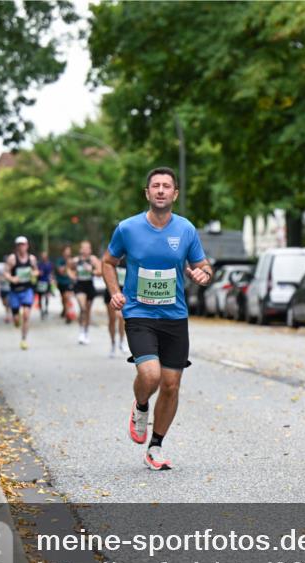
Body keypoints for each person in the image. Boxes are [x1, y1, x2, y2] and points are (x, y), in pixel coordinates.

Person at [102, 166, 212, 471]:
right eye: (155, 186)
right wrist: (114, 292)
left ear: (174, 194)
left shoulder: (186, 230)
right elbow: (108, 262)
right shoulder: (127, 228)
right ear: (147, 193)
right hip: (139, 313)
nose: (161, 190)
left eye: (166, 186)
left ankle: (156, 446)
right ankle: (140, 407)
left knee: (172, 384)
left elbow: (202, 264)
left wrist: (203, 273)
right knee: (151, 375)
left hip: (174, 315)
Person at [3, 236, 38, 350]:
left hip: (27, 289)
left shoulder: (32, 259)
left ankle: (23, 340)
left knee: (27, 315)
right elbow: (5, 272)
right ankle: (16, 320)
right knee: (17, 319)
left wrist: (34, 274)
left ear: (27, 246)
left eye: (23, 244)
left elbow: (36, 271)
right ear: (16, 247)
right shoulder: (12, 259)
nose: (21, 247)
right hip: (15, 291)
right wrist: (12, 279)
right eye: (19, 245)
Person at [71, 240, 101, 344]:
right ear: (80, 249)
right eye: (83, 247)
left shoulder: (93, 259)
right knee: (82, 308)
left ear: (90, 249)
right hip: (79, 286)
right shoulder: (76, 260)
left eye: (87, 248)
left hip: (89, 286)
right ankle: (81, 332)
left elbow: (100, 272)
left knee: (87, 311)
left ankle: (86, 332)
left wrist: (91, 270)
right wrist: (72, 276)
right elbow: (69, 269)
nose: (85, 250)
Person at [104, 256, 127, 358]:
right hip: (111, 291)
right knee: (112, 319)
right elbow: (103, 270)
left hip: (124, 291)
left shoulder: (129, 256)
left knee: (121, 317)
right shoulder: (111, 256)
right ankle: (113, 344)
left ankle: (122, 341)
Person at [55, 245, 76, 322]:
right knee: (63, 298)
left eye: (69, 251)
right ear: (63, 252)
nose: (68, 252)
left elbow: (74, 270)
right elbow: (60, 271)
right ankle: (64, 309)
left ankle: (68, 315)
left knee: (67, 297)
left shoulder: (72, 260)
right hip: (61, 282)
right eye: (66, 251)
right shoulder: (60, 260)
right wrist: (67, 264)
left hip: (68, 282)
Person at [36, 251, 55, 320]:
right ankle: (41, 310)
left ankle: (46, 309)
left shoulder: (50, 264)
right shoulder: (39, 264)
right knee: (40, 298)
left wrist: (52, 279)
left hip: (47, 282)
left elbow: (52, 273)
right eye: (42, 256)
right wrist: (38, 273)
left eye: (45, 256)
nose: (43, 257)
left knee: (47, 296)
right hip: (40, 282)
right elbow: (36, 272)